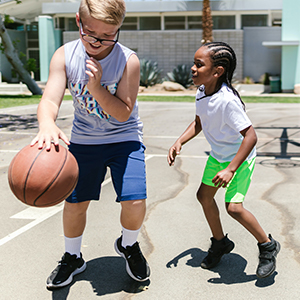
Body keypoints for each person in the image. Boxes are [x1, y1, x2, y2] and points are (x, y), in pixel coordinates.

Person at [31, 0, 150, 289]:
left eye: (108, 35)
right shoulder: (65, 55)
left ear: (119, 29)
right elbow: (49, 99)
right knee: (75, 204)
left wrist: (95, 87)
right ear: (78, 22)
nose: (98, 41)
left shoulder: (127, 60)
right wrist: (47, 123)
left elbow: (123, 112)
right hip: (84, 141)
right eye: (90, 33)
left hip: (125, 138)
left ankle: (129, 245)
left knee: (135, 201)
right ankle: (72, 257)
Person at [167, 42, 280, 278]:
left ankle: (267, 245)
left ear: (217, 71)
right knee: (203, 196)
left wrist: (231, 168)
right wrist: (180, 141)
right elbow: (199, 122)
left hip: (239, 159)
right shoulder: (201, 92)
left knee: (234, 208)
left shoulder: (228, 101)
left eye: (199, 65)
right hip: (219, 157)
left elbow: (251, 136)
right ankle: (220, 242)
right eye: (194, 63)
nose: (193, 69)